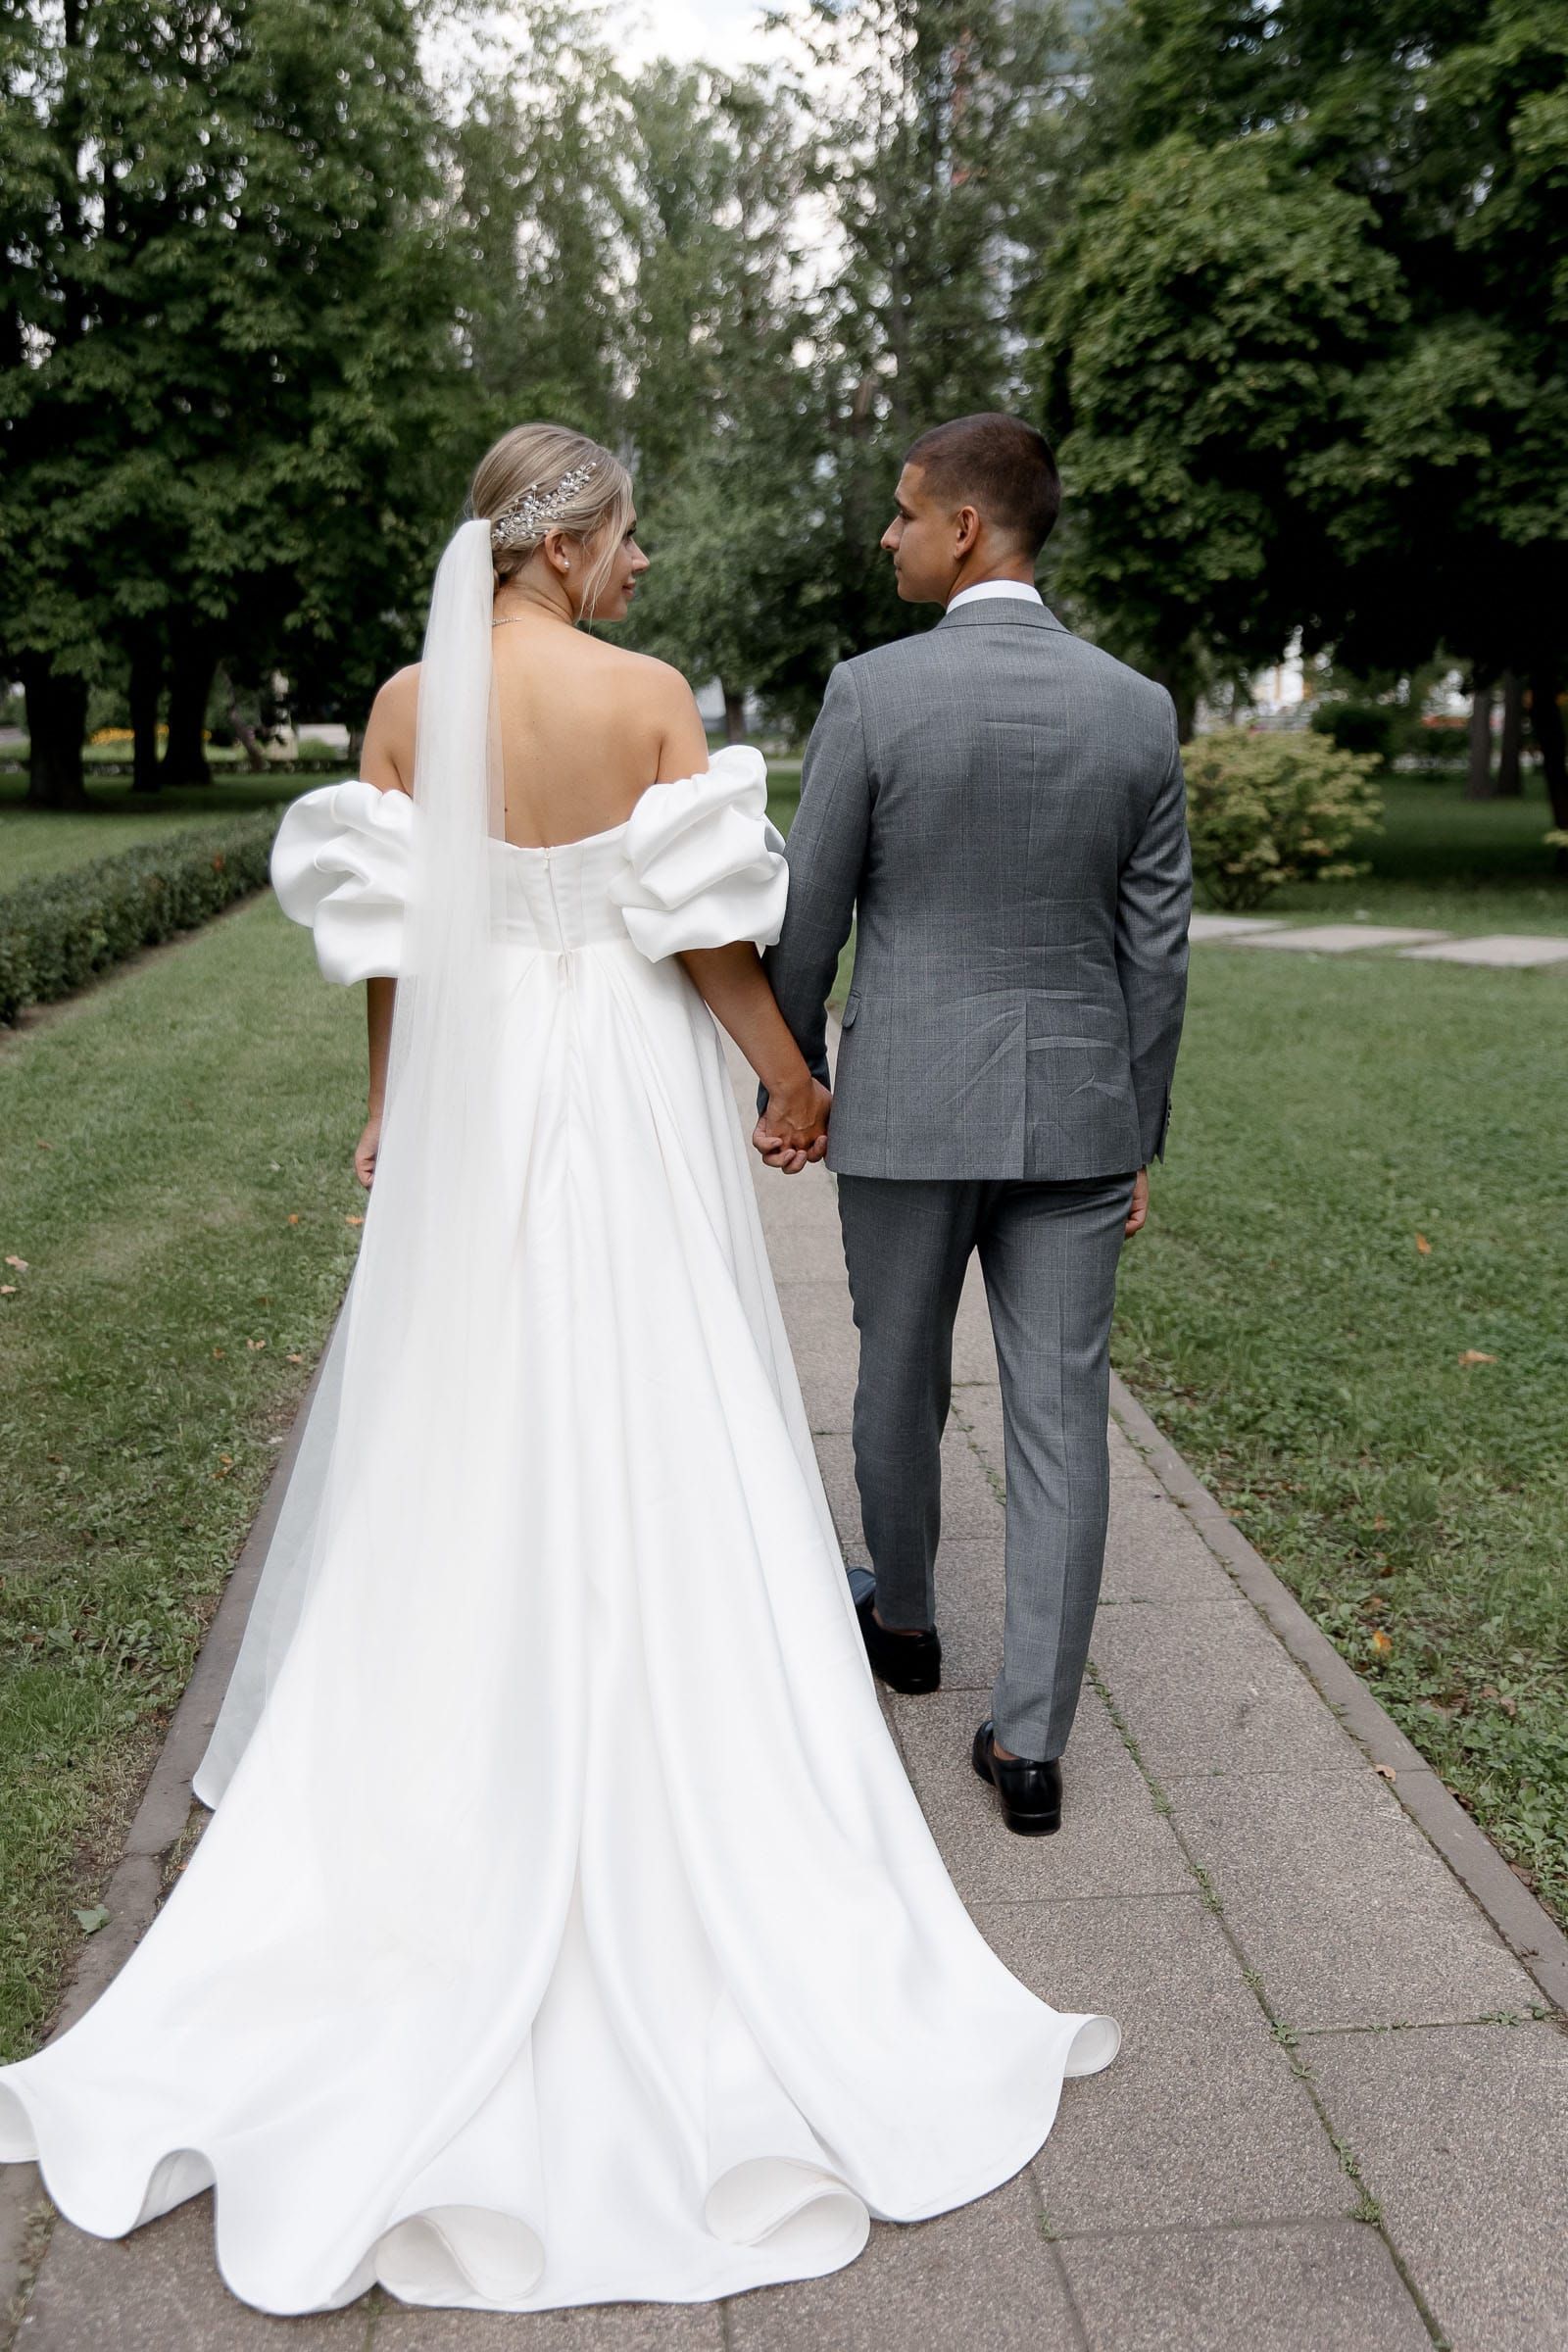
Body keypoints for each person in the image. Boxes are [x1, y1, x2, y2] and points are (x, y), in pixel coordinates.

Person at [0, 424, 1117, 2320]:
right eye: (628, 537)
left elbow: (392, 950)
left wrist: (390, 1117)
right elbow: (694, 934)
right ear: (569, 537)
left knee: (456, 1424)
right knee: (658, 1403)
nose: (641, 568)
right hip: (609, 1096)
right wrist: (786, 1073)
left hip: (475, 1100)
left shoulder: (404, 707)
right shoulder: (649, 699)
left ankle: (442, 1749)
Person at [760, 413, 1192, 1838]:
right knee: (1064, 1416)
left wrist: (794, 1074)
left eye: (902, 513)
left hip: (907, 1109)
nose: (886, 535)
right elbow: (1159, 945)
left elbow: (811, 910)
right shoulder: (1136, 707)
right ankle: (1033, 1746)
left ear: (965, 529)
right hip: (1076, 1115)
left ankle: (911, 1626)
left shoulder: (873, 695)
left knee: (897, 1374)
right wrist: (1138, 1130)